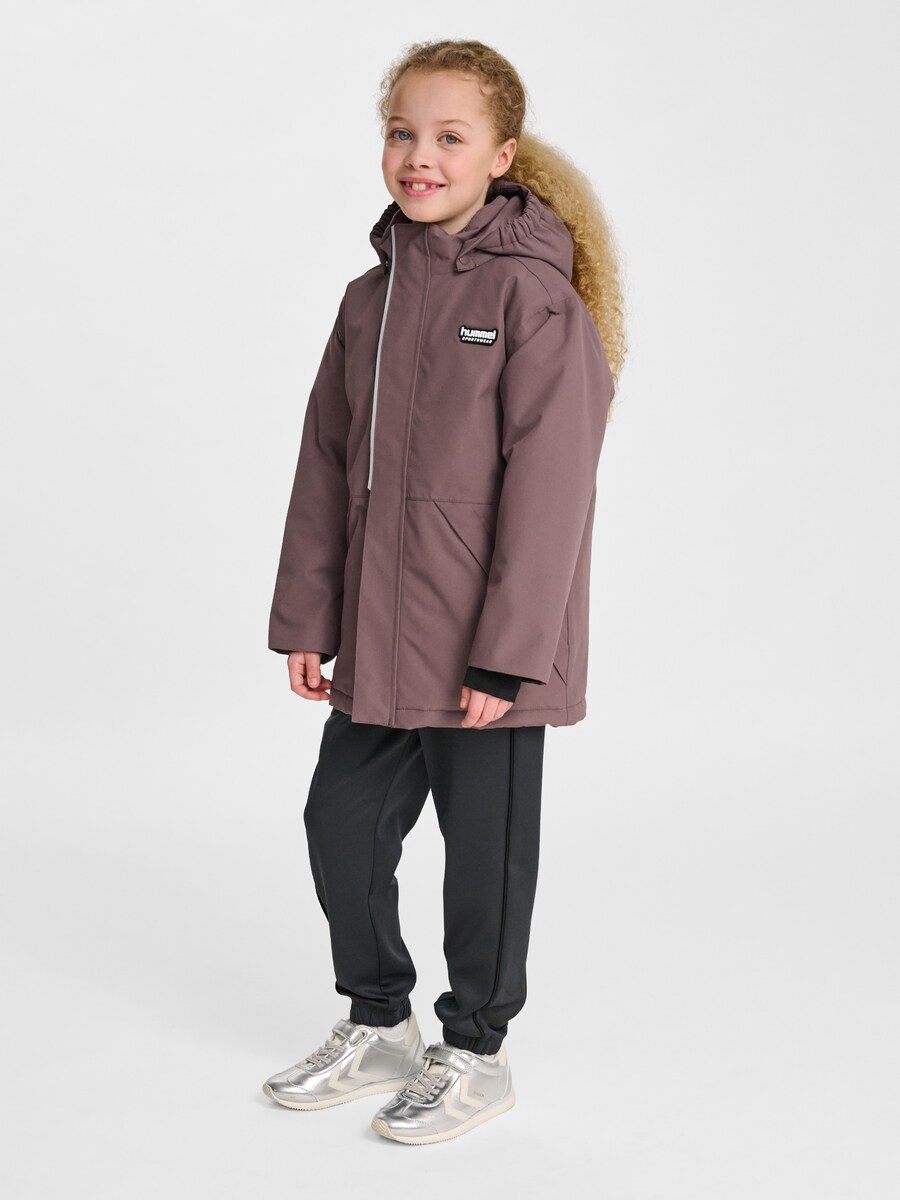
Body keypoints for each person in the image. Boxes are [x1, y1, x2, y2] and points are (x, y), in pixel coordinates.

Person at [262, 38, 626, 1146]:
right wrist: (309, 615)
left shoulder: (532, 299)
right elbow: (326, 464)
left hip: (486, 653)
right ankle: (380, 1021)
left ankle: (476, 1050)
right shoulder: (367, 301)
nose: (419, 156)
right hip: (380, 635)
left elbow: (553, 491)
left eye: (449, 137)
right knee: (340, 822)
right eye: (402, 134)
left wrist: (508, 653)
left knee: (485, 861)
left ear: (501, 155)